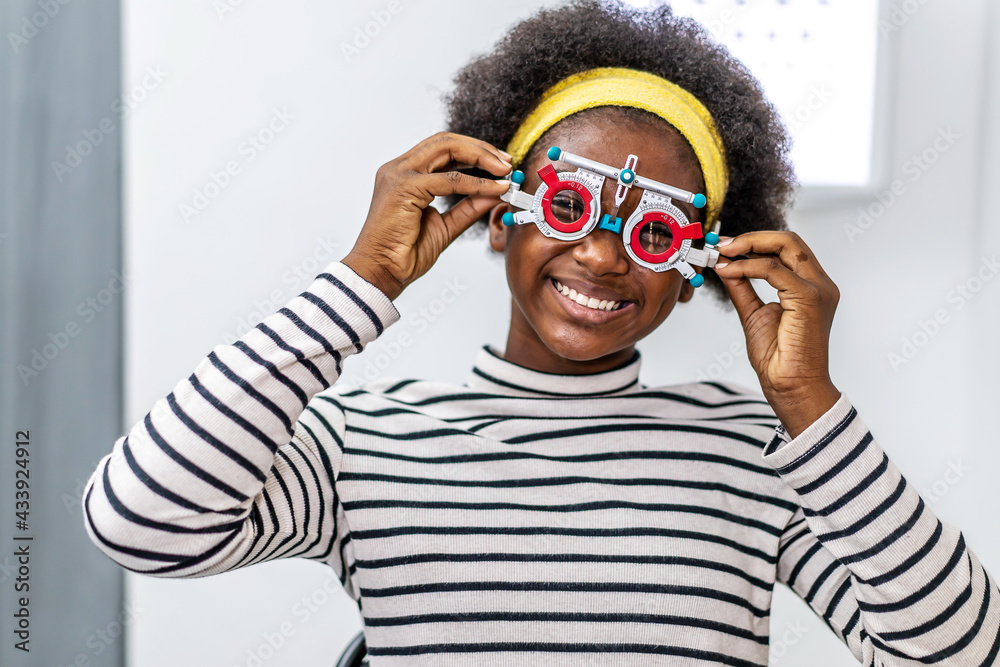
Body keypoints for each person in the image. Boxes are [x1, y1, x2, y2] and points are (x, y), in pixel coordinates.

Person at [82, 1, 1000, 665]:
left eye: (652, 233)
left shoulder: (757, 453)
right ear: (499, 214)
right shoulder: (366, 440)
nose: (602, 257)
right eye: (567, 206)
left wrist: (808, 403)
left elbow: (953, 650)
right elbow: (142, 522)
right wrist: (363, 279)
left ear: (696, 272)